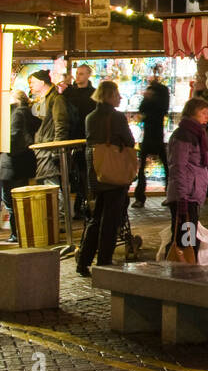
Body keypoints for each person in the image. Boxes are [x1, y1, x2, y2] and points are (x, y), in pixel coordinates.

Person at [76, 81, 136, 277]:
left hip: (97, 171)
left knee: (96, 217)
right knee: (111, 218)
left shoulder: (90, 117)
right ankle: (104, 261)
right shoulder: (117, 117)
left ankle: (84, 261)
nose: (119, 98)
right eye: (117, 94)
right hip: (114, 172)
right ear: (110, 95)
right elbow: (129, 140)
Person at [165, 97, 208, 262]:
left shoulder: (197, 134)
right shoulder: (184, 136)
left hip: (192, 196)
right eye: (203, 113)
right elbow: (178, 166)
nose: (207, 117)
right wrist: (182, 197)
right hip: (185, 197)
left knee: (187, 237)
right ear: (193, 113)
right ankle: (181, 272)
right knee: (184, 239)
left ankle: (184, 270)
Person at [30, 70, 72, 218]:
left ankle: (60, 218)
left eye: (33, 82)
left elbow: (61, 123)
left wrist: (56, 148)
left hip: (49, 147)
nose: (31, 85)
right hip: (44, 146)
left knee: (51, 182)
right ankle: (55, 217)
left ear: (42, 83)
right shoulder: (44, 99)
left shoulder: (56, 99)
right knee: (48, 182)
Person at [0, 89, 39, 242]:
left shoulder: (17, 113)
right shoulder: (27, 112)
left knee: (11, 199)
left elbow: (12, 137)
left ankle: (17, 233)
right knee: (19, 198)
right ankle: (21, 232)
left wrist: (1, 147)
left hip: (13, 163)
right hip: (23, 162)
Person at [64, 64, 97, 220]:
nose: (78, 76)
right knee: (74, 174)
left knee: (84, 174)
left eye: (82, 74)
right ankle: (79, 206)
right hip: (71, 137)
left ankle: (82, 206)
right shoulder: (70, 93)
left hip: (86, 138)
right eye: (77, 73)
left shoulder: (93, 94)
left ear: (88, 75)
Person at [134, 68, 171, 209]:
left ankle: (169, 194)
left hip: (156, 134)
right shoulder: (152, 90)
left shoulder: (162, 91)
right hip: (150, 135)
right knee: (144, 167)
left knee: (165, 167)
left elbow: (162, 109)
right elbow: (141, 108)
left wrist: (149, 100)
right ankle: (140, 197)